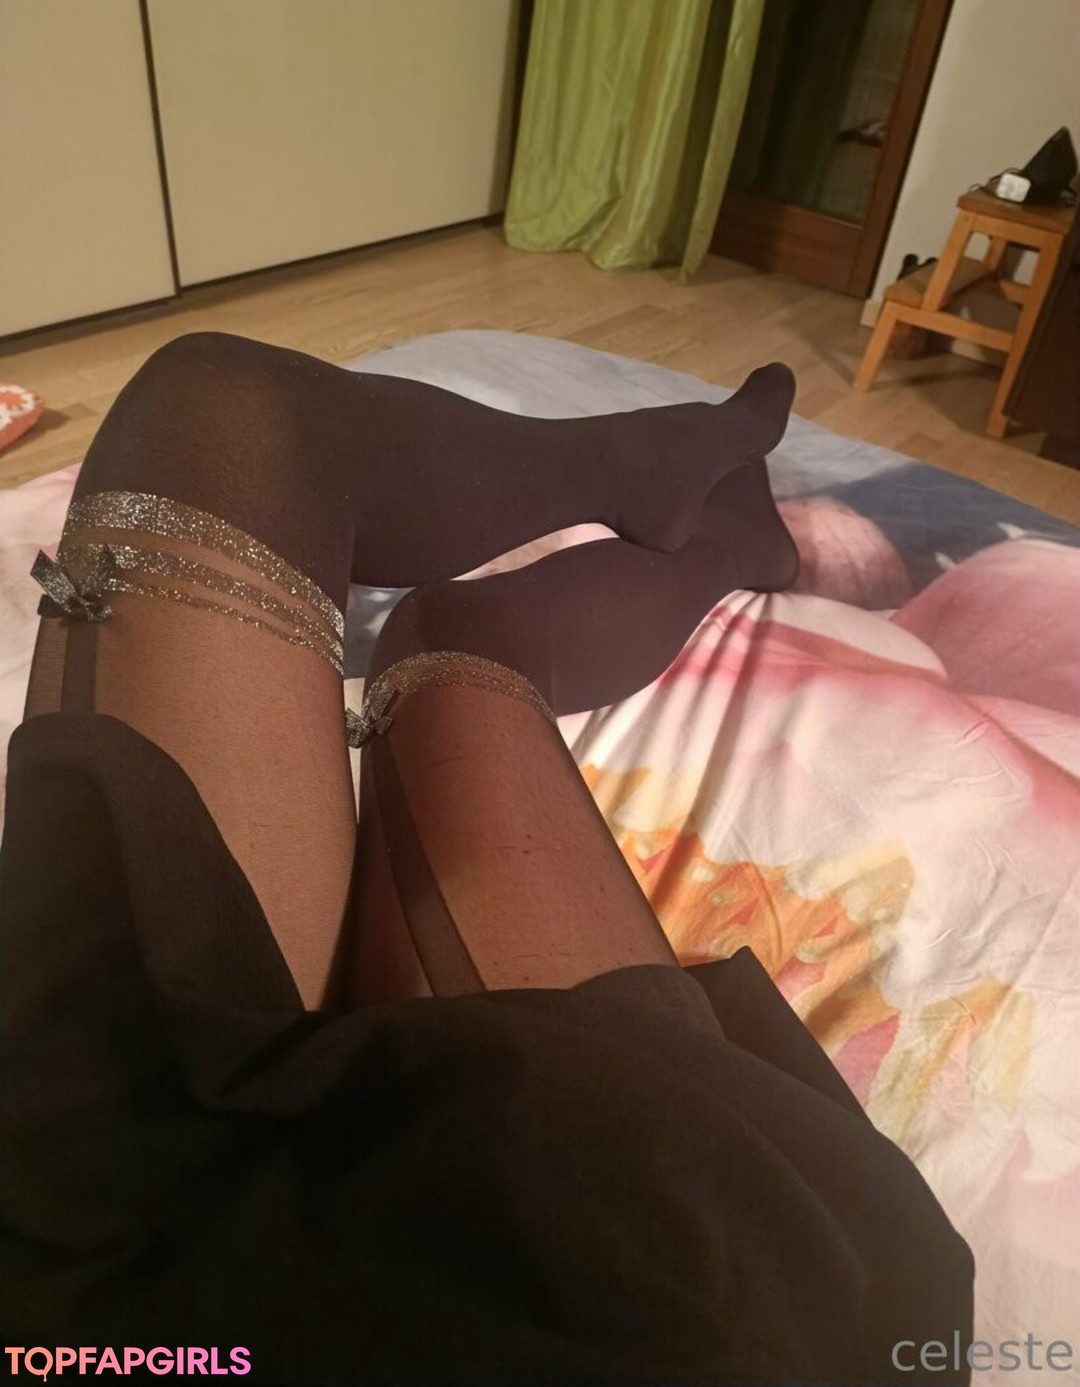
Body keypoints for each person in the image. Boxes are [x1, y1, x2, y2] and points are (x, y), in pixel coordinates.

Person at [0, 332, 973, 1385]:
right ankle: (718, 528)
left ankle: (664, 479)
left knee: (224, 412)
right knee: (446, 643)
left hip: (95, 1258)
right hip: (584, 1302)